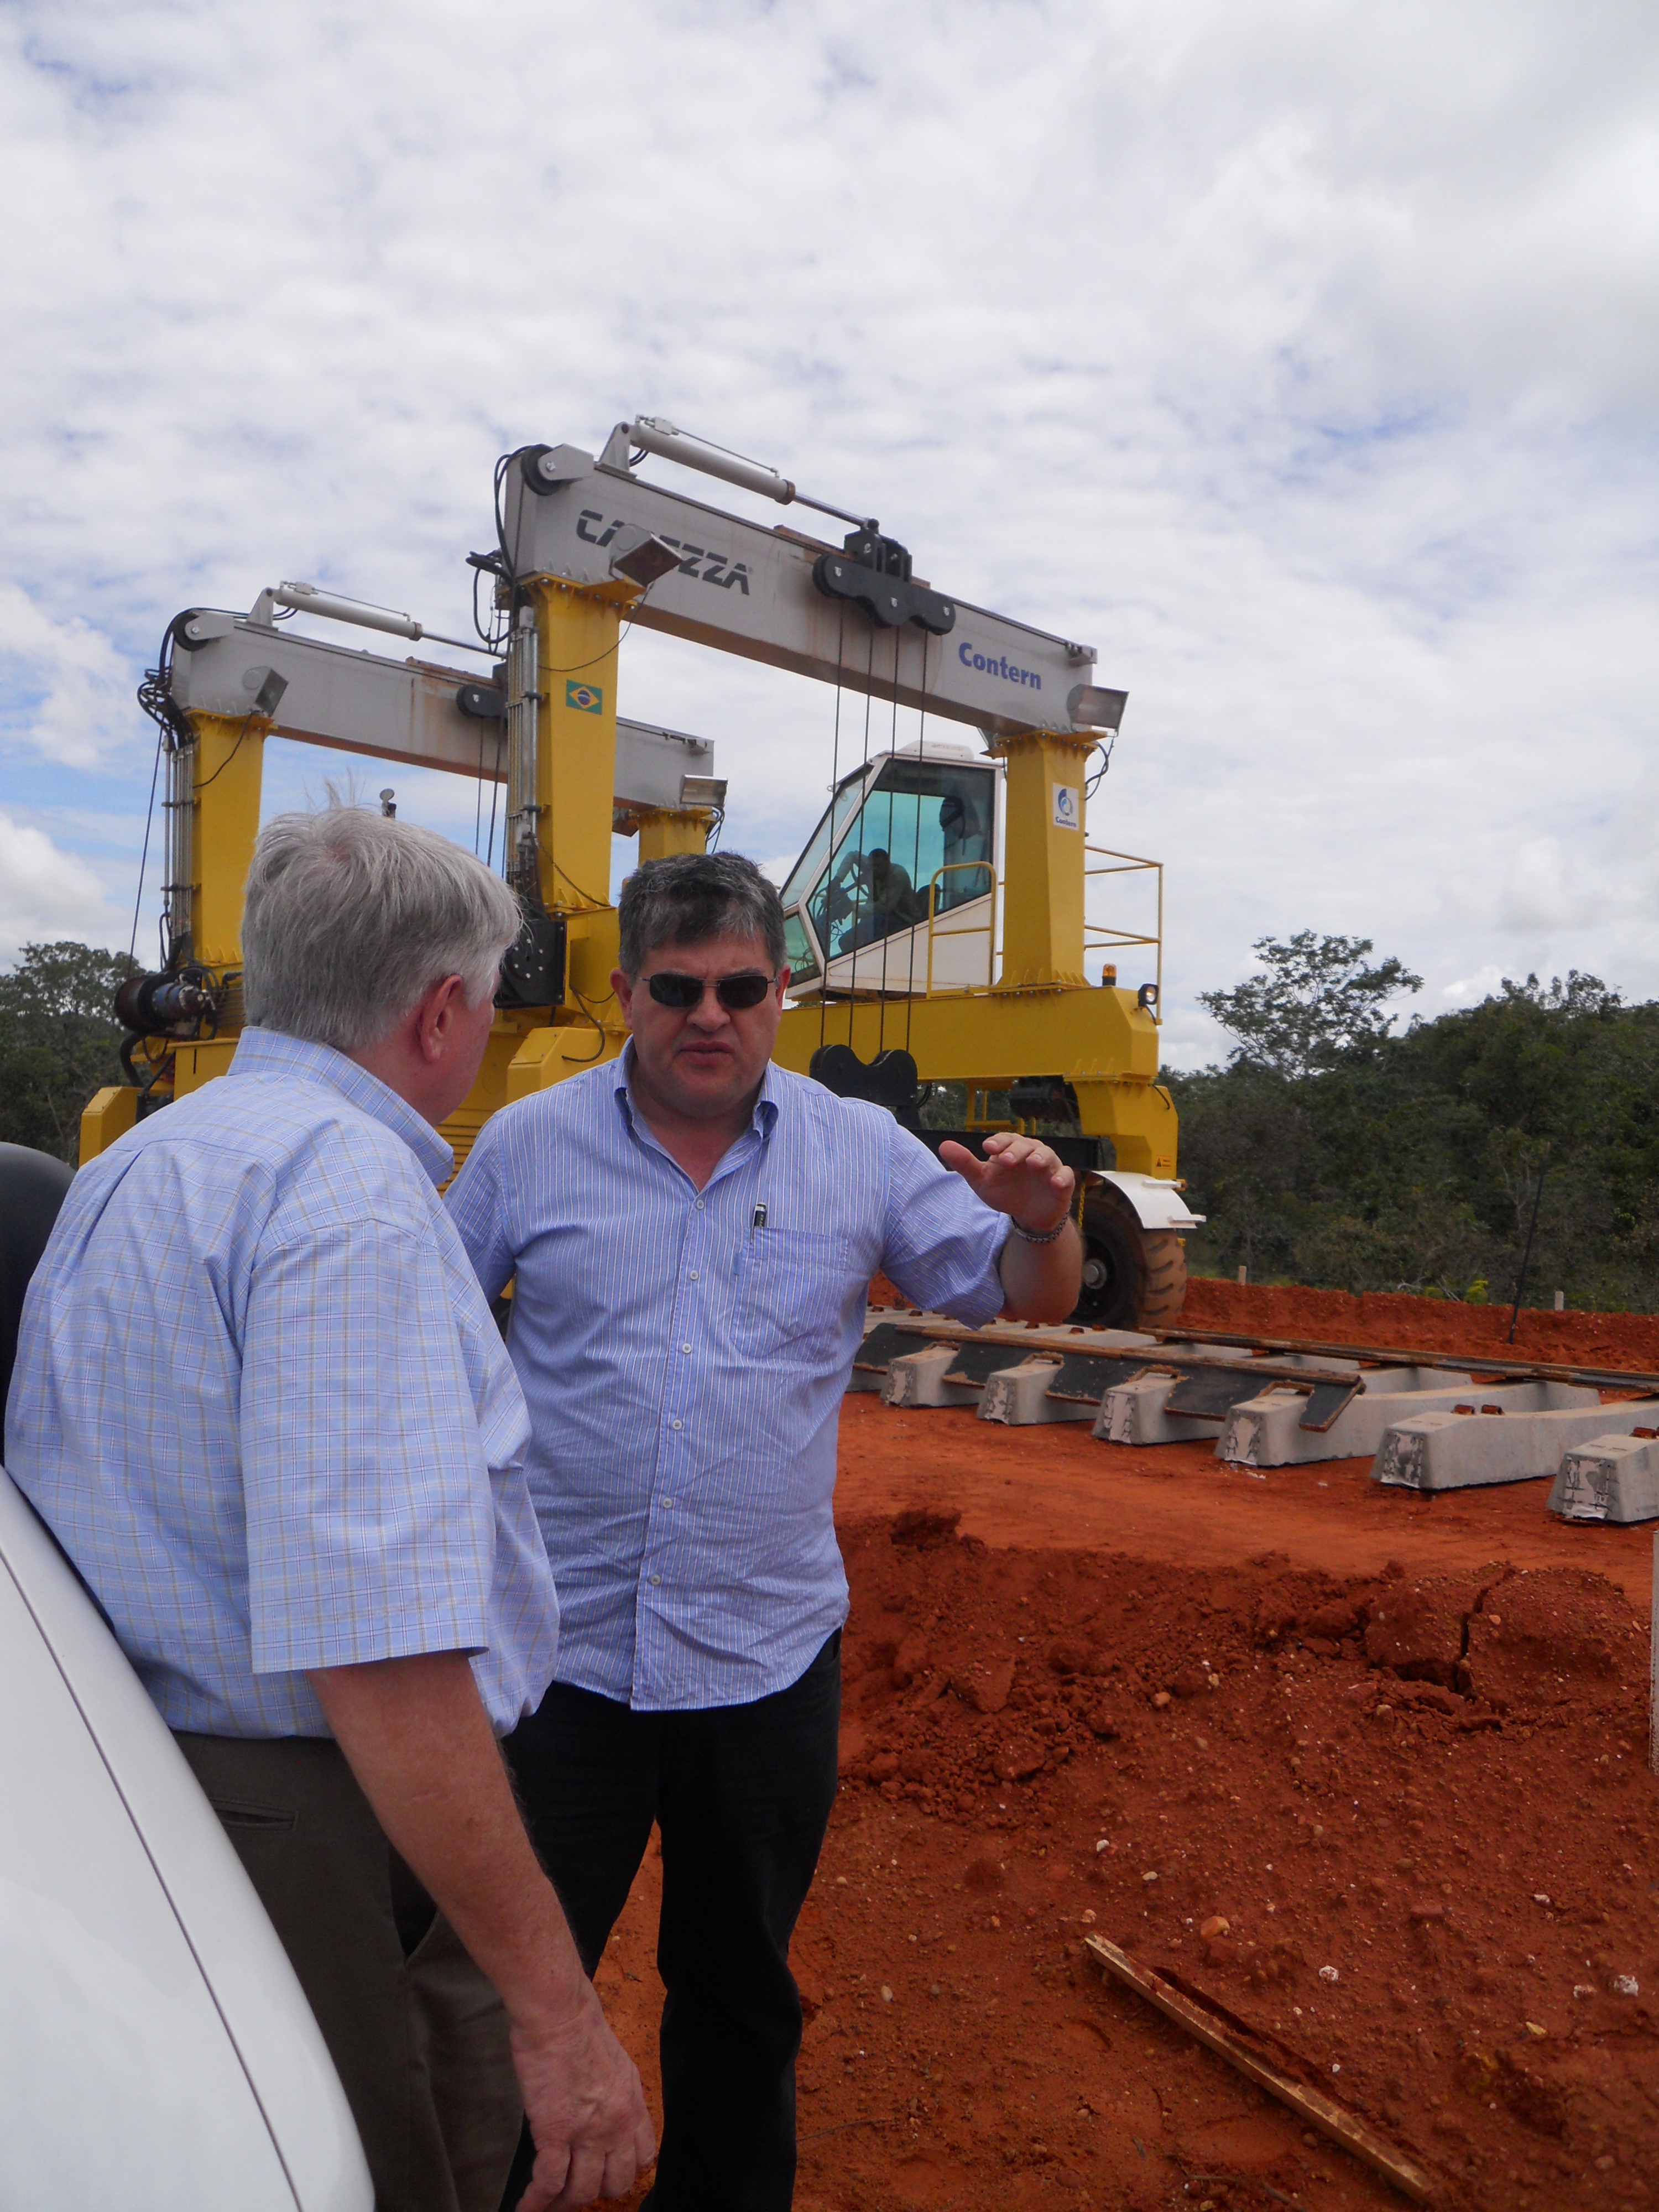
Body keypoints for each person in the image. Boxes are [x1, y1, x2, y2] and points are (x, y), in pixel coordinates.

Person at [4, 807, 655, 2212]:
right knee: (374, 2163)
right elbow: (379, 1648)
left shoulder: (137, 1166)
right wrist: (559, 2013)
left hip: (133, 1776)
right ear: (440, 1010)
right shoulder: (348, 1202)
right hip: (320, 1825)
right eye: (484, 1003)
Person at [446, 849, 1081, 2211]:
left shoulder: (861, 1151)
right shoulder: (526, 1143)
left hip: (766, 1662)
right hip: (565, 1669)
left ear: (782, 988)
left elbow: (1014, 1294)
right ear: (624, 990)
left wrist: (1046, 1221)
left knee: (740, 1998)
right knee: (519, 1994)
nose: (709, 1014)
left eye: (740, 986)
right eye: (676, 987)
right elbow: (434, 1329)